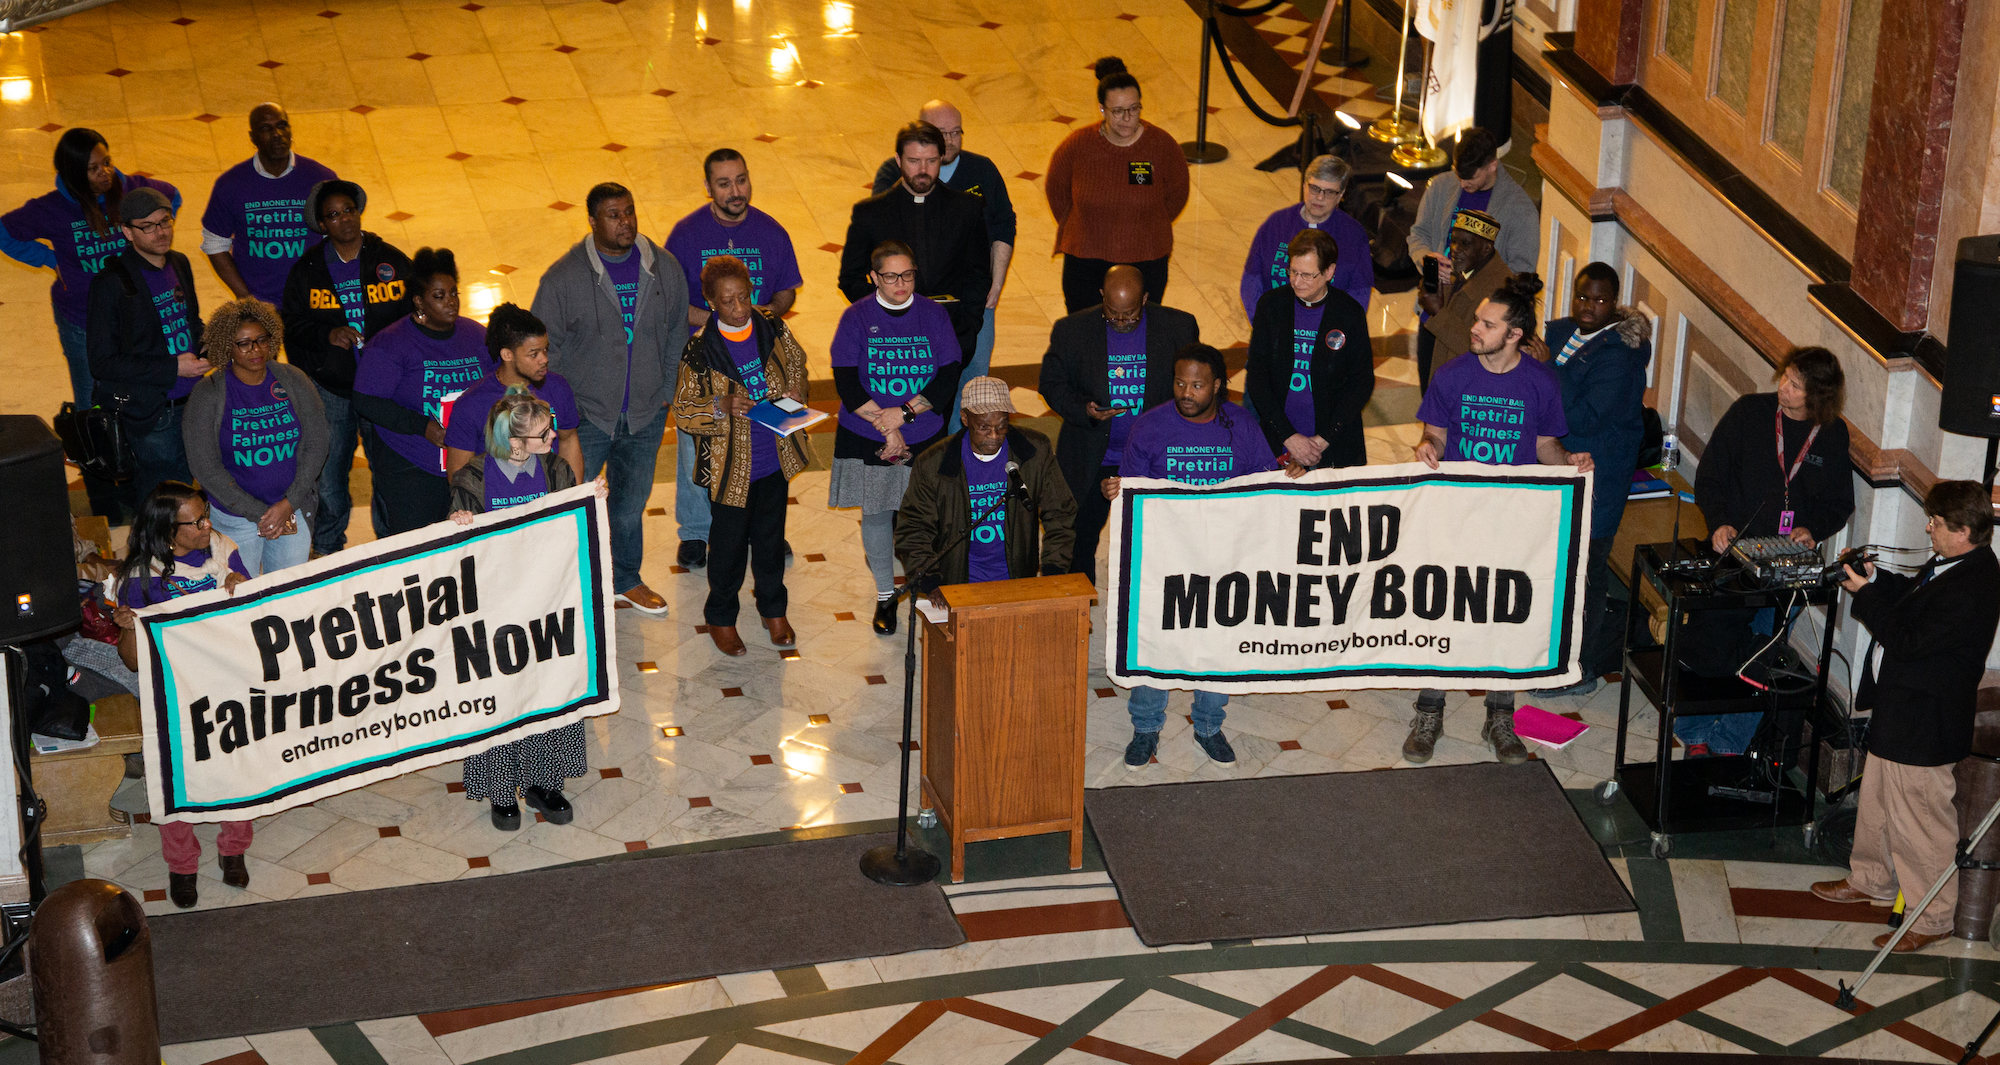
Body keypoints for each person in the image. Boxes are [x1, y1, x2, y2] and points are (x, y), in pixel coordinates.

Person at [1407, 274, 1593, 765]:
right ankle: (1429, 711)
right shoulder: (1451, 375)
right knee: (1440, 609)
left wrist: (1570, 464)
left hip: (1513, 521)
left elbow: (1545, 447)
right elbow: (1436, 437)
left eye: (1488, 324)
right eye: (1477, 320)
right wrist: (1427, 448)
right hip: (1455, 517)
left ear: (1514, 335)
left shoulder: (1539, 382)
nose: (1475, 328)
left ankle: (1500, 715)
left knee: (1505, 614)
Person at [1812, 481, 2000, 954]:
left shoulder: (1974, 587)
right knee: (1876, 804)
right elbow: (1914, 595)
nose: (1928, 527)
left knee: (1921, 824)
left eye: (1936, 522)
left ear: (1964, 531)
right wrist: (1875, 579)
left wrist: (1866, 597)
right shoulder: (1953, 563)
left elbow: (1910, 640)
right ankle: (1872, 879)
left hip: (1926, 722)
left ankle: (1932, 916)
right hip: (1902, 711)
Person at [1110, 344, 1293, 766]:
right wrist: (1116, 492)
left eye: (1196, 385)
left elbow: (1266, 485)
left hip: (1223, 560)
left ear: (1217, 386)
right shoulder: (1149, 426)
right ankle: (1146, 727)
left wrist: (1289, 479)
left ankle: (1209, 724)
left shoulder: (1242, 425)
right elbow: (1131, 490)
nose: (1186, 393)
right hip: (1164, 558)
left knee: (1217, 641)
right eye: (1179, 383)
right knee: (1154, 641)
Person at [1680, 347, 1853, 755]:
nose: (1783, 388)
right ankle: (1693, 731)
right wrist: (1719, 521)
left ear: (1818, 398)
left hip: (1785, 567)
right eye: (1785, 377)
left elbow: (1840, 503)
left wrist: (1813, 529)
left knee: (1762, 657)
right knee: (1714, 646)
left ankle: (1727, 746)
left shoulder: (1831, 434)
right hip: (1733, 556)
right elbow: (1710, 476)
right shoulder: (1749, 413)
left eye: (1796, 385)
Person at [0, 128, 179, 520]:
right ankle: (101, 486)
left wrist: (150, 238)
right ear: (72, 173)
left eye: (107, 162)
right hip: (81, 320)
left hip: (134, 316)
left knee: (137, 386)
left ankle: (137, 472)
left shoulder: (130, 189)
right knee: (92, 400)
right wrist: (51, 261)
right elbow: (5, 232)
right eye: (94, 168)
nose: (106, 173)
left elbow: (171, 195)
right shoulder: (50, 208)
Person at [447, 393, 604, 830]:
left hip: (548, 605)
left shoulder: (556, 471)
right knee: (499, 696)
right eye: (543, 433)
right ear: (513, 440)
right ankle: (501, 789)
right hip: (495, 612)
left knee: (549, 688)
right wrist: (456, 529)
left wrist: (593, 502)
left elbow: (574, 532)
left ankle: (544, 781)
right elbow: (454, 563)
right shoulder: (472, 480)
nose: (555, 436)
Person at [534, 182, 691, 617]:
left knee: (628, 507)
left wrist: (665, 390)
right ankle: (564, 587)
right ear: (592, 221)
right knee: (568, 503)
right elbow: (545, 347)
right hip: (584, 419)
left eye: (629, 211)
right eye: (613, 215)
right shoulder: (563, 277)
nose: (625, 222)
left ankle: (626, 579)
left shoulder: (664, 267)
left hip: (645, 414)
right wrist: (566, 407)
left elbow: (679, 328)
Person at [110, 483, 252, 908]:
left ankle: (233, 849)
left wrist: (241, 587)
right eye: (197, 522)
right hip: (170, 691)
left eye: (206, 514)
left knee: (235, 766)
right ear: (168, 531)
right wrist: (126, 627)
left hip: (225, 681)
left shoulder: (223, 549)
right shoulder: (139, 577)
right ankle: (182, 864)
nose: (208, 525)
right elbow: (134, 662)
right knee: (173, 778)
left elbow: (254, 615)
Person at [664, 149, 804, 571]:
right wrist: (721, 322)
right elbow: (674, 301)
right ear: (708, 187)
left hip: (760, 354)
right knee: (700, 449)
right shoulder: (686, 235)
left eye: (741, 180)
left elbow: (786, 290)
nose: (735, 190)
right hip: (710, 358)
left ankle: (767, 531)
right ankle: (696, 532)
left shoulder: (772, 231)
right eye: (724, 183)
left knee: (766, 441)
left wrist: (759, 321)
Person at [671, 256, 813, 657]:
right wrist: (721, 404)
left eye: (743, 297)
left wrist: (797, 390)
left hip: (774, 457)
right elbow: (683, 411)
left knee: (769, 542)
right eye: (727, 301)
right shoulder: (700, 349)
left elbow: (798, 365)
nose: (737, 308)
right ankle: (721, 618)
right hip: (732, 467)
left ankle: (774, 611)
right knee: (729, 548)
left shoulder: (773, 327)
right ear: (711, 303)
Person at [1529, 263, 1650, 698]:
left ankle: (1581, 668)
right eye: (1582, 297)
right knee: (1553, 564)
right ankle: (1547, 652)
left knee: (1586, 570)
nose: (1588, 307)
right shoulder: (1560, 332)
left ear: (1613, 302)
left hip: (1596, 476)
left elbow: (1582, 417)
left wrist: (1547, 369)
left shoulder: (1620, 353)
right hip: (1553, 467)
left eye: (1599, 300)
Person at [830, 242, 963, 635]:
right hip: (866, 433)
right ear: (874, 277)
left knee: (922, 514)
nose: (900, 283)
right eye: (890, 276)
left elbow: (948, 374)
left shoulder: (933, 314)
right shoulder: (855, 317)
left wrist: (903, 415)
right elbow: (847, 383)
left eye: (907, 275)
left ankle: (924, 581)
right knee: (876, 513)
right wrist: (887, 427)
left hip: (923, 433)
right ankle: (886, 593)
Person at [1037, 264, 1198, 584]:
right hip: (1092, 455)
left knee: (1159, 539)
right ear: (1101, 297)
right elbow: (1051, 384)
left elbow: (1194, 383)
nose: (1121, 322)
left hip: (1151, 458)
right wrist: (1084, 410)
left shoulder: (1178, 326)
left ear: (1146, 299)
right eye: (1113, 314)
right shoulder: (1072, 330)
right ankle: (1079, 614)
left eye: (1130, 315)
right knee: (1079, 539)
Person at [280, 179, 414, 556]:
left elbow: (413, 317)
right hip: (331, 390)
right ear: (322, 225)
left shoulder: (389, 259)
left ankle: (392, 545)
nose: (344, 220)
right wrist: (327, 334)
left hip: (383, 390)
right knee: (330, 477)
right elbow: (290, 324)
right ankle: (326, 548)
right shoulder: (307, 270)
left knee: (387, 469)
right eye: (333, 215)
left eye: (349, 211)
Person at [872, 100, 1018, 433]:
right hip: (918, 304)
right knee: (918, 378)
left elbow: (1003, 225)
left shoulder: (982, 171)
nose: (950, 141)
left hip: (972, 300)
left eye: (956, 133)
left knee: (972, 380)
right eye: (941, 133)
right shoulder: (893, 173)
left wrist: (996, 282)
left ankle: (957, 454)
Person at [182, 298, 328, 576]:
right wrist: (260, 512)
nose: (256, 349)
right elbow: (204, 466)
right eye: (244, 343)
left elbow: (317, 444)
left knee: (287, 592)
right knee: (240, 596)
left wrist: (288, 504)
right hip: (235, 519)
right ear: (228, 346)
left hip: (290, 510)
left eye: (262, 339)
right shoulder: (208, 393)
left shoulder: (294, 379)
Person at [350, 247, 487, 535]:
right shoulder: (391, 343)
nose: (451, 302)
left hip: (468, 461)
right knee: (420, 547)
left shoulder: (475, 335)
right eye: (439, 296)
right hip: (411, 464)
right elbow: (366, 400)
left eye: (454, 293)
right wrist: (422, 426)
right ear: (419, 301)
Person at [895, 376, 1076, 590]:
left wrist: (1053, 569)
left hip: (1017, 579)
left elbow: (1061, 512)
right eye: (983, 427)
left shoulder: (1034, 451)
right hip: (957, 582)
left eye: (1002, 426)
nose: (994, 436)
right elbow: (914, 527)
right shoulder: (933, 463)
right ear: (965, 418)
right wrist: (930, 580)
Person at [86, 186, 207, 504]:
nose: (161, 232)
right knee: (164, 501)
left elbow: (191, 322)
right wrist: (174, 366)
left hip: (192, 401)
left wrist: (210, 347)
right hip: (154, 413)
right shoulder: (110, 283)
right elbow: (102, 362)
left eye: (165, 221)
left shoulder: (179, 263)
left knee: (192, 491)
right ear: (127, 231)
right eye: (148, 226)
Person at [839, 122, 990, 368]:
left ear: (942, 158)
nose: (923, 170)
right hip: (888, 341)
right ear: (898, 160)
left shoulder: (967, 209)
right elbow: (850, 278)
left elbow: (979, 274)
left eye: (931, 161)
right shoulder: (870, 213)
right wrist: (884, 312)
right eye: (913, 161)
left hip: (950, 336)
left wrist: (969, 323)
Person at [1046, 57, 1191, 313]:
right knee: (1085, 333)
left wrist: (1146, 222)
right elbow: (1057, 190)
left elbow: (1177, 193)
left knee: (1141, 332)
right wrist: (1083, 223)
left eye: (1134, 109)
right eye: (1118, 111)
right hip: (1085, 260)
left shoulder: (1161, 146)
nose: (1127, 118)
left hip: (1146, 257)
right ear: (1102, 109)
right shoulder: (1077, 146)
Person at [1245, 229, 1374, 473]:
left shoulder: (1349, 314)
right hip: (1279, 438)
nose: (1296, 281)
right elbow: (1258, 376)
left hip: (1334, 444)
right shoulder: (1271, 306)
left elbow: (1361, 383)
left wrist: (1321, 441)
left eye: (1307, 275)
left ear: (1329, 272)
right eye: (1292, 271)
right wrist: (1289, 437)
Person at [200, 104, 338, 304]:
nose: (277, 134)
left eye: (282, 126)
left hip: (314, 303)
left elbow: (340, 237)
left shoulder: (321, 178)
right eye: (266, 128)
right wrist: (247, 299)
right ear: (252, 137)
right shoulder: (230, 185)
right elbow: (214, 244)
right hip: (260, 307)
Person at [443, 303, 583, 483]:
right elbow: (459, 473)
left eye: (545, 349)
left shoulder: (558, 387)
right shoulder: (471, 404)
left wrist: (573, 496)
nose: (544, 360)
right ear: (507, 355)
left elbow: (568, 439)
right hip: (501, 505)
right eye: (534, 354)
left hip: (550, 503)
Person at [1239, 154, 1373, 320]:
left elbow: (1359, 294)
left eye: (1329, 192)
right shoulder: (1276, 224)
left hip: (1327, 331)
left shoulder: (1353, 235)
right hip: (1275, 324)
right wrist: (1263, 324)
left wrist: (1336, 333)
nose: (1319, 197)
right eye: (1314, 188)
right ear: (1304, 185)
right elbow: (1251, 281)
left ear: (1341, 195)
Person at [1407, 126, 1539, 278]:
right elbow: (1418, 234)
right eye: (1459, 175)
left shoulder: (1521, 210)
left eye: (1471, 178)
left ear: (1492, 166)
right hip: (1437, 294)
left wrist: (1473, 283)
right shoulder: (1441, 185)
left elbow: (1522, 271)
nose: (1463, 184)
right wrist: (1426, 259)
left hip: (1481, 299)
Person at [1416, 209, 1512, 391]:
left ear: (1486, 248)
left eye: (1465, 244)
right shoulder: (1467, 270)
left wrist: (1438, 312)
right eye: (1453, 241)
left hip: (1470, 391)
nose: (1455, 250)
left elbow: (1482, 347)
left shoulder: (1499, 290)